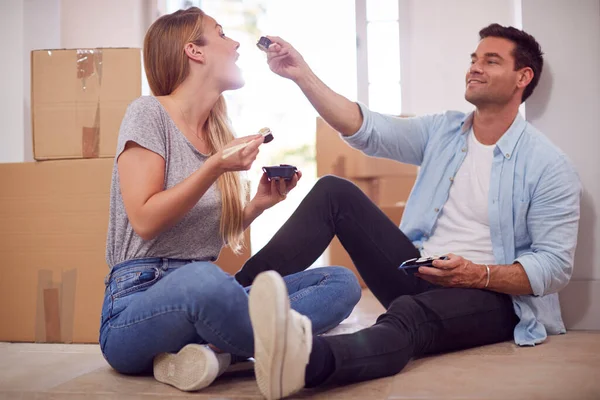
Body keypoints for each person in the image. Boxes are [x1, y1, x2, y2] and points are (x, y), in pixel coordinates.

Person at [236, 24, 582, 399]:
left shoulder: (548, 164)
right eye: (474, 59)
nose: (474, 67)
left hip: (493, 297)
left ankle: (305, 362)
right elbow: (365, 127)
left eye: (491, 61)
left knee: (407, 315)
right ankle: (227, 299)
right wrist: (301, 73)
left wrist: (475, 274)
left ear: (522, 77)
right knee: (333, 192)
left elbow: (554, 268)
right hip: (420, 272)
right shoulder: (444, 131)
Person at [98, 7, 361, 393]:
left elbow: (199, 239)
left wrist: (256, 206)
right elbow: (145, 220)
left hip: (211, 294)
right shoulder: (148, 112)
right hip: (136, 307)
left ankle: (212, 355)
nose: (236, 43)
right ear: (194, 51)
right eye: (221, 34)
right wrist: (215, 167)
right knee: (205, 280)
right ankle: (271, 351)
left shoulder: (217, 133)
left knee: (339, 282)